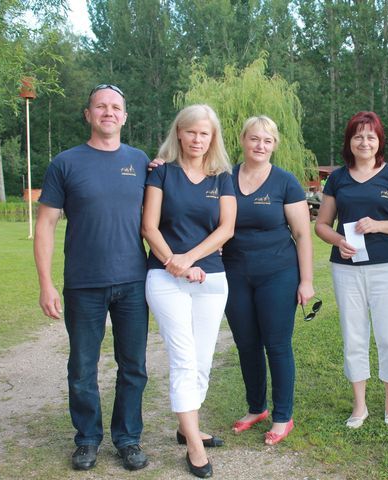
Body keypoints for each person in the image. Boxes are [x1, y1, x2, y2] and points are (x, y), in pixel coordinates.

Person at [34, 84, 150, 471]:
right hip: (83, 283)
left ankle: (128, 438)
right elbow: (46, 225)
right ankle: (87, 439)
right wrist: (46, 283)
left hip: (133, 282)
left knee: (133, 366)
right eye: (100, 106)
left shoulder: (140, 161)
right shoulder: (65, 163)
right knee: (83, 367)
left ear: (125, 116)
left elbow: (164, 212)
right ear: (88, 114)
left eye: (115, 107)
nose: (108, 112)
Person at [142, 104, 236, 478]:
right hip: (166, 279)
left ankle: (187, 427)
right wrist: (174, 263)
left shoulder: (222, 177)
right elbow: (149, 227)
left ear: (213, 138)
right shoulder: (161, 172)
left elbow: (226, 228)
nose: (198, 139)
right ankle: (194, 446)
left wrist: (190, 259)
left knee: (202, 360)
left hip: (211, 280)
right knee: (183, 358)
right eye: (191, 132)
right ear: (179, 133)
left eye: (204, 133)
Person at [315, 111, 388, 429]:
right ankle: (359, 404)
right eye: (358, 136)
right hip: (347, 269)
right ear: (349, 141)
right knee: (354, 336)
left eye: (370, 136)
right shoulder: (338, 178)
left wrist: (378, 225)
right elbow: (322, 224)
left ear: (379, 141)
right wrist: (338, 240)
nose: (364, 142)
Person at [222, 116, 314, 445]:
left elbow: (302, 234)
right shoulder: (224, 177)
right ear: (243, 140)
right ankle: (256, 408)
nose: (260, 145)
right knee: (246, 344)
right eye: (254, 139)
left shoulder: (285, 182)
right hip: (235, 273)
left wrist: (306, 281)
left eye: (267, 140)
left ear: (274, 145)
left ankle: (283, 416)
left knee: (276, 345)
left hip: (278, 273)